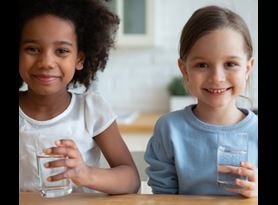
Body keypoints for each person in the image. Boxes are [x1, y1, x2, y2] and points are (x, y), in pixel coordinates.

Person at [19, 0, 140, 194]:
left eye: (62, 51)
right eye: (32, 49)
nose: (46, 62)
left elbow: (132, 180)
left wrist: (86, 174)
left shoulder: (91, 110)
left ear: (79, 59)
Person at [144, 5, 258, 198]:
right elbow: (163, 198)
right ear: (184, 70)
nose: (217, 77)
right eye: (202, 65)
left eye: (230, 64)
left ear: (248, 69)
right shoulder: (169, 129)